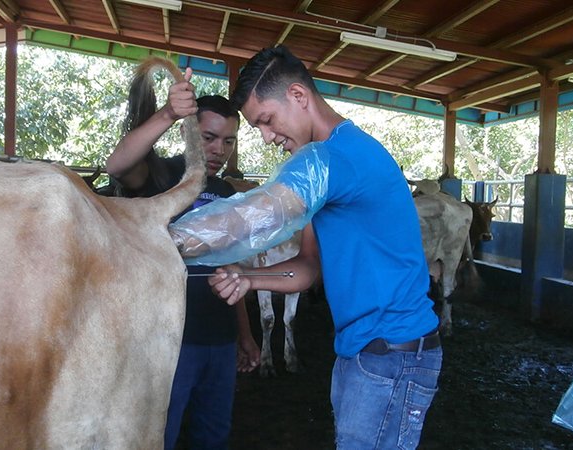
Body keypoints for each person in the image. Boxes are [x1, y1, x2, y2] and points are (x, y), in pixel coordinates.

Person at [168, 45, 442, 449]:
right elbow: (309, 267)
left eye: (267, 120)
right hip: (366, 351)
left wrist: (154, 242)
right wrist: (248, 277)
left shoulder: (334, 158)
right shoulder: (334, 168)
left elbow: (254, 217)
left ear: (298, 96)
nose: (266, 137)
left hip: (391, 352)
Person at [105, 66, 260, 450]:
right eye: (208, 137)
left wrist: (244, 335)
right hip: (167, 340)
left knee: (214, 434)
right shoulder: (162, 175)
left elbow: (232, 268)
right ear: (188, 130)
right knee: (161, 434)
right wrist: (168, 113)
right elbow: (116, 166)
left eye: (228, 141)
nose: (218, 150)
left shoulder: (226, 192)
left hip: (220, 341)